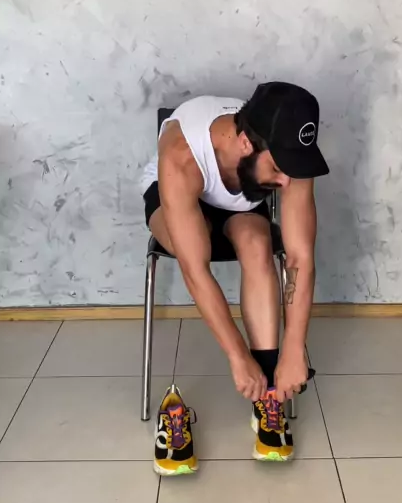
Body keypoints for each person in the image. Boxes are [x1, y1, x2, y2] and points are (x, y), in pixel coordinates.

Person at [141, 81, 329, 475]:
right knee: (189, 245)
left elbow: (299, 257)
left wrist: (295, 348)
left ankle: (268, 394)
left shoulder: (286, 154)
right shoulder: (181, 153)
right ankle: (253, 366)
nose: (286, 182)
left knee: (258, 246)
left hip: (241, 196)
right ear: (246, 143)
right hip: (180, 195)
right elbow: (195, 270)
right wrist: (237, 355)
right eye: (278, 168)